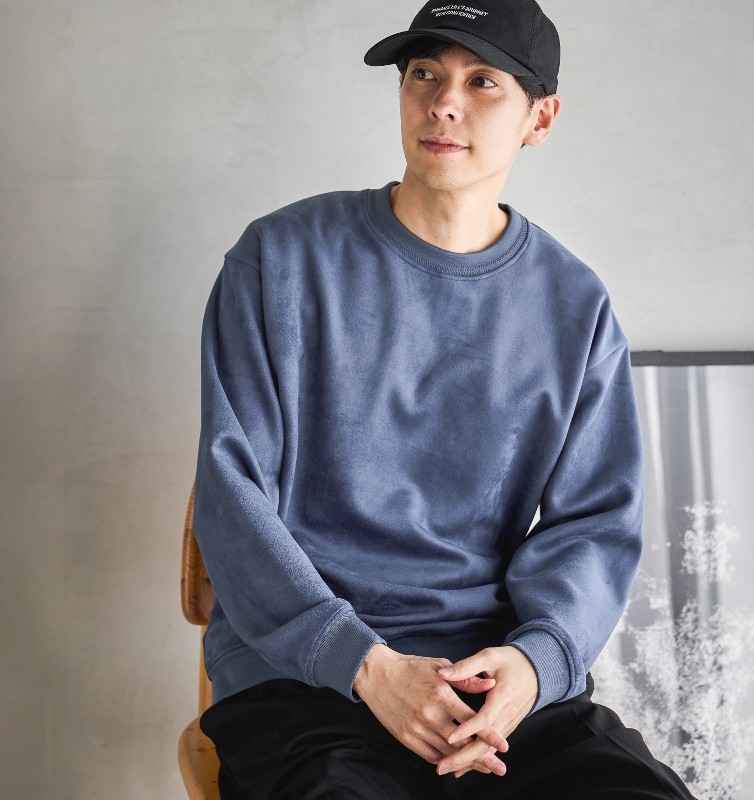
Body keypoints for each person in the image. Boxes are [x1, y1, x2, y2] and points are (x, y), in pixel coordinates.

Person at [193, 1, 697, 797]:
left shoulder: (575, 306)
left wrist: (535, 663)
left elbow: (596, 524)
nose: (443, 102)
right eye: (424, 73)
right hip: (306, 680)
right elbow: (232, 496)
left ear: (540, 118)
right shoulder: (279, 261)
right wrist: (363, 663)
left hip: (489, 685)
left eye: (482, 81)